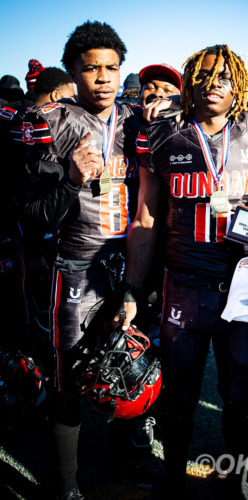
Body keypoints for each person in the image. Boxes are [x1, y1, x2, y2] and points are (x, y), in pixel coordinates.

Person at [115, 44, 248, 500]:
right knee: (179, 397)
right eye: (205, 75)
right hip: (183, 287)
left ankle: (236, 479)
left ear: (240, 86)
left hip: (241, 286)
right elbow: (146, 219)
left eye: (224, 78)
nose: (214, 84)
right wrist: (133, 288)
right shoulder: (162, 133)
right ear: (189, 79)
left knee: (237, 396)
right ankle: (173, 479)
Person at [23, 20, 179, 500]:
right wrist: (70, 179)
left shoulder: (139, 120)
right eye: (93, 69)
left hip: (131, 265)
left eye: (113, 68)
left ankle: (123, 457)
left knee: (134, 371)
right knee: (69, 377)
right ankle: (66, 482)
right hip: (75, 267)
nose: (105, 78)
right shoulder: (50, 123)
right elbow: (30, 216)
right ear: (73, 72)